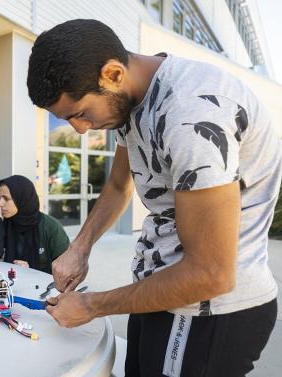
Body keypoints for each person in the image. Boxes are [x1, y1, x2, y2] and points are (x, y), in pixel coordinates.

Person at [27, 19, 281, 376]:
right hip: (161, 291)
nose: (80, 130)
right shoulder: (132, 101)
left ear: (113, 74)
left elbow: (211, 273)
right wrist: (79, 248)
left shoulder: (190, 116)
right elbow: (119, 184)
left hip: (209, 312)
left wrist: (91, 305)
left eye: (81, 114)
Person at [0, 175, 70, 274]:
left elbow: (66, 269)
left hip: (45, 287)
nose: (0, 203)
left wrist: (31, 271)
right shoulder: (4, 224)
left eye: (6, 198)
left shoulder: (50, 227)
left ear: (22, 198)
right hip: (10, 285)